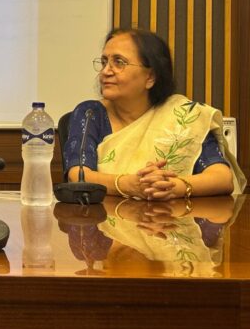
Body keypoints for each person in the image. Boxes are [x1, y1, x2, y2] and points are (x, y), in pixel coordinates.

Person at [63, 27, 245, 201]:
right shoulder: (90, 113)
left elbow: (222, 178)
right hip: (106, 219)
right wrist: (127, 185)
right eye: (104, 62)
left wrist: (173, 187)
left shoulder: (184, 116)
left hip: (174, 218)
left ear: (150, 77)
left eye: (118, 62)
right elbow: (78, 175)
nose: (105, 71)